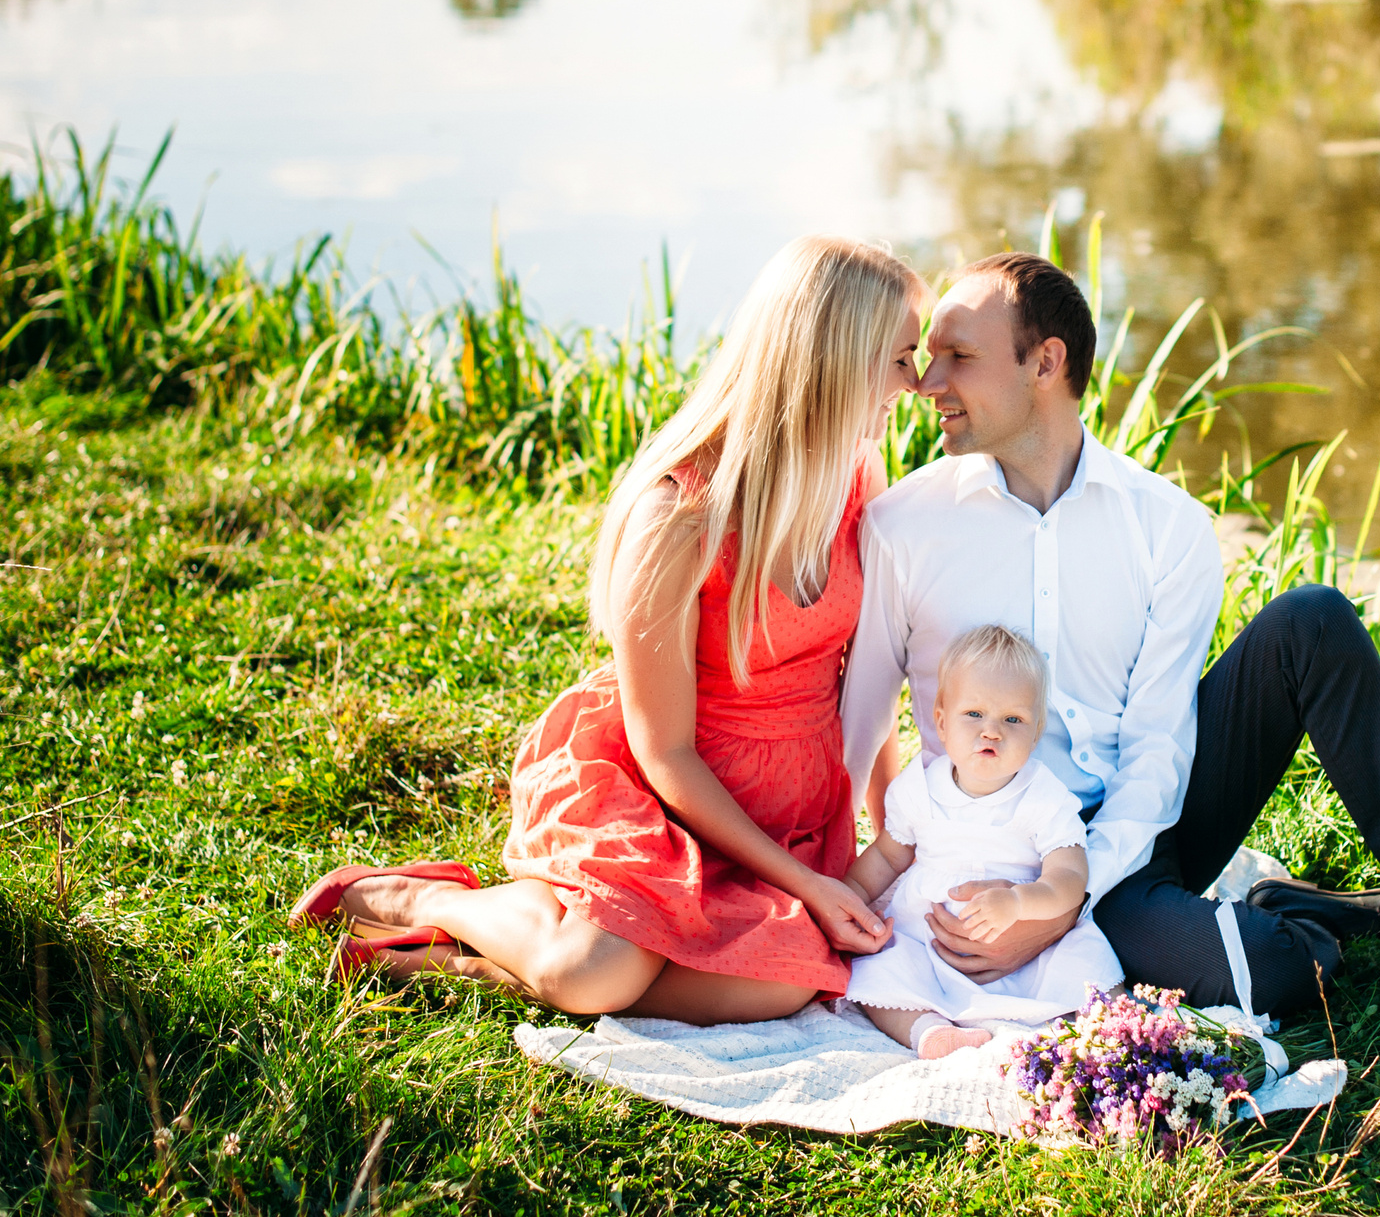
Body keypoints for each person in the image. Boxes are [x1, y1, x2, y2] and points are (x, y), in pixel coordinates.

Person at [840, 252, 1380, 1022]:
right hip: (989, 844)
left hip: (1132, 844)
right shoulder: (904, 524)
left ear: (1045, 362)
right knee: (1282, 973)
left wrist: (1065, 896)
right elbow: (856, 732)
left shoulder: (1166, 526)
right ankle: (1303, 914)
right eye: (929, 357)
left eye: (958, 357)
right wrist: (839, 892)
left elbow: (1157, 751)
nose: (929, 383)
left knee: (1312, 620)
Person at [290, 235, 923, 1026]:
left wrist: (892, 829)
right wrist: (808, 888)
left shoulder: (857, 476)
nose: (918, 382)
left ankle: (455, 967)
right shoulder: (679, 516)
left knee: (788, 980)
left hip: (787, 822)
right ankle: (431, 897)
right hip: (667, 797)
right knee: (596, 971)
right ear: (837, 359)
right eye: (901, 358)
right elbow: (667, 752)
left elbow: (865, 682)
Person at [841, 624, 1123, 1057]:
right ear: (941, 721)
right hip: (930, 944)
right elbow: (886, 856)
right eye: (973, 714)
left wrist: (1020, 902)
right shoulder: (919, 789)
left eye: (1013, 719)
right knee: (878, 972)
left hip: (1027, 946)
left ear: (1036, 731)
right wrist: (853, 897)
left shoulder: (1043, 796)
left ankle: (1083, 1035)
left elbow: (1069, 875)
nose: (991, 731)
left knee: (1090, 967)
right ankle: (928, 1032)